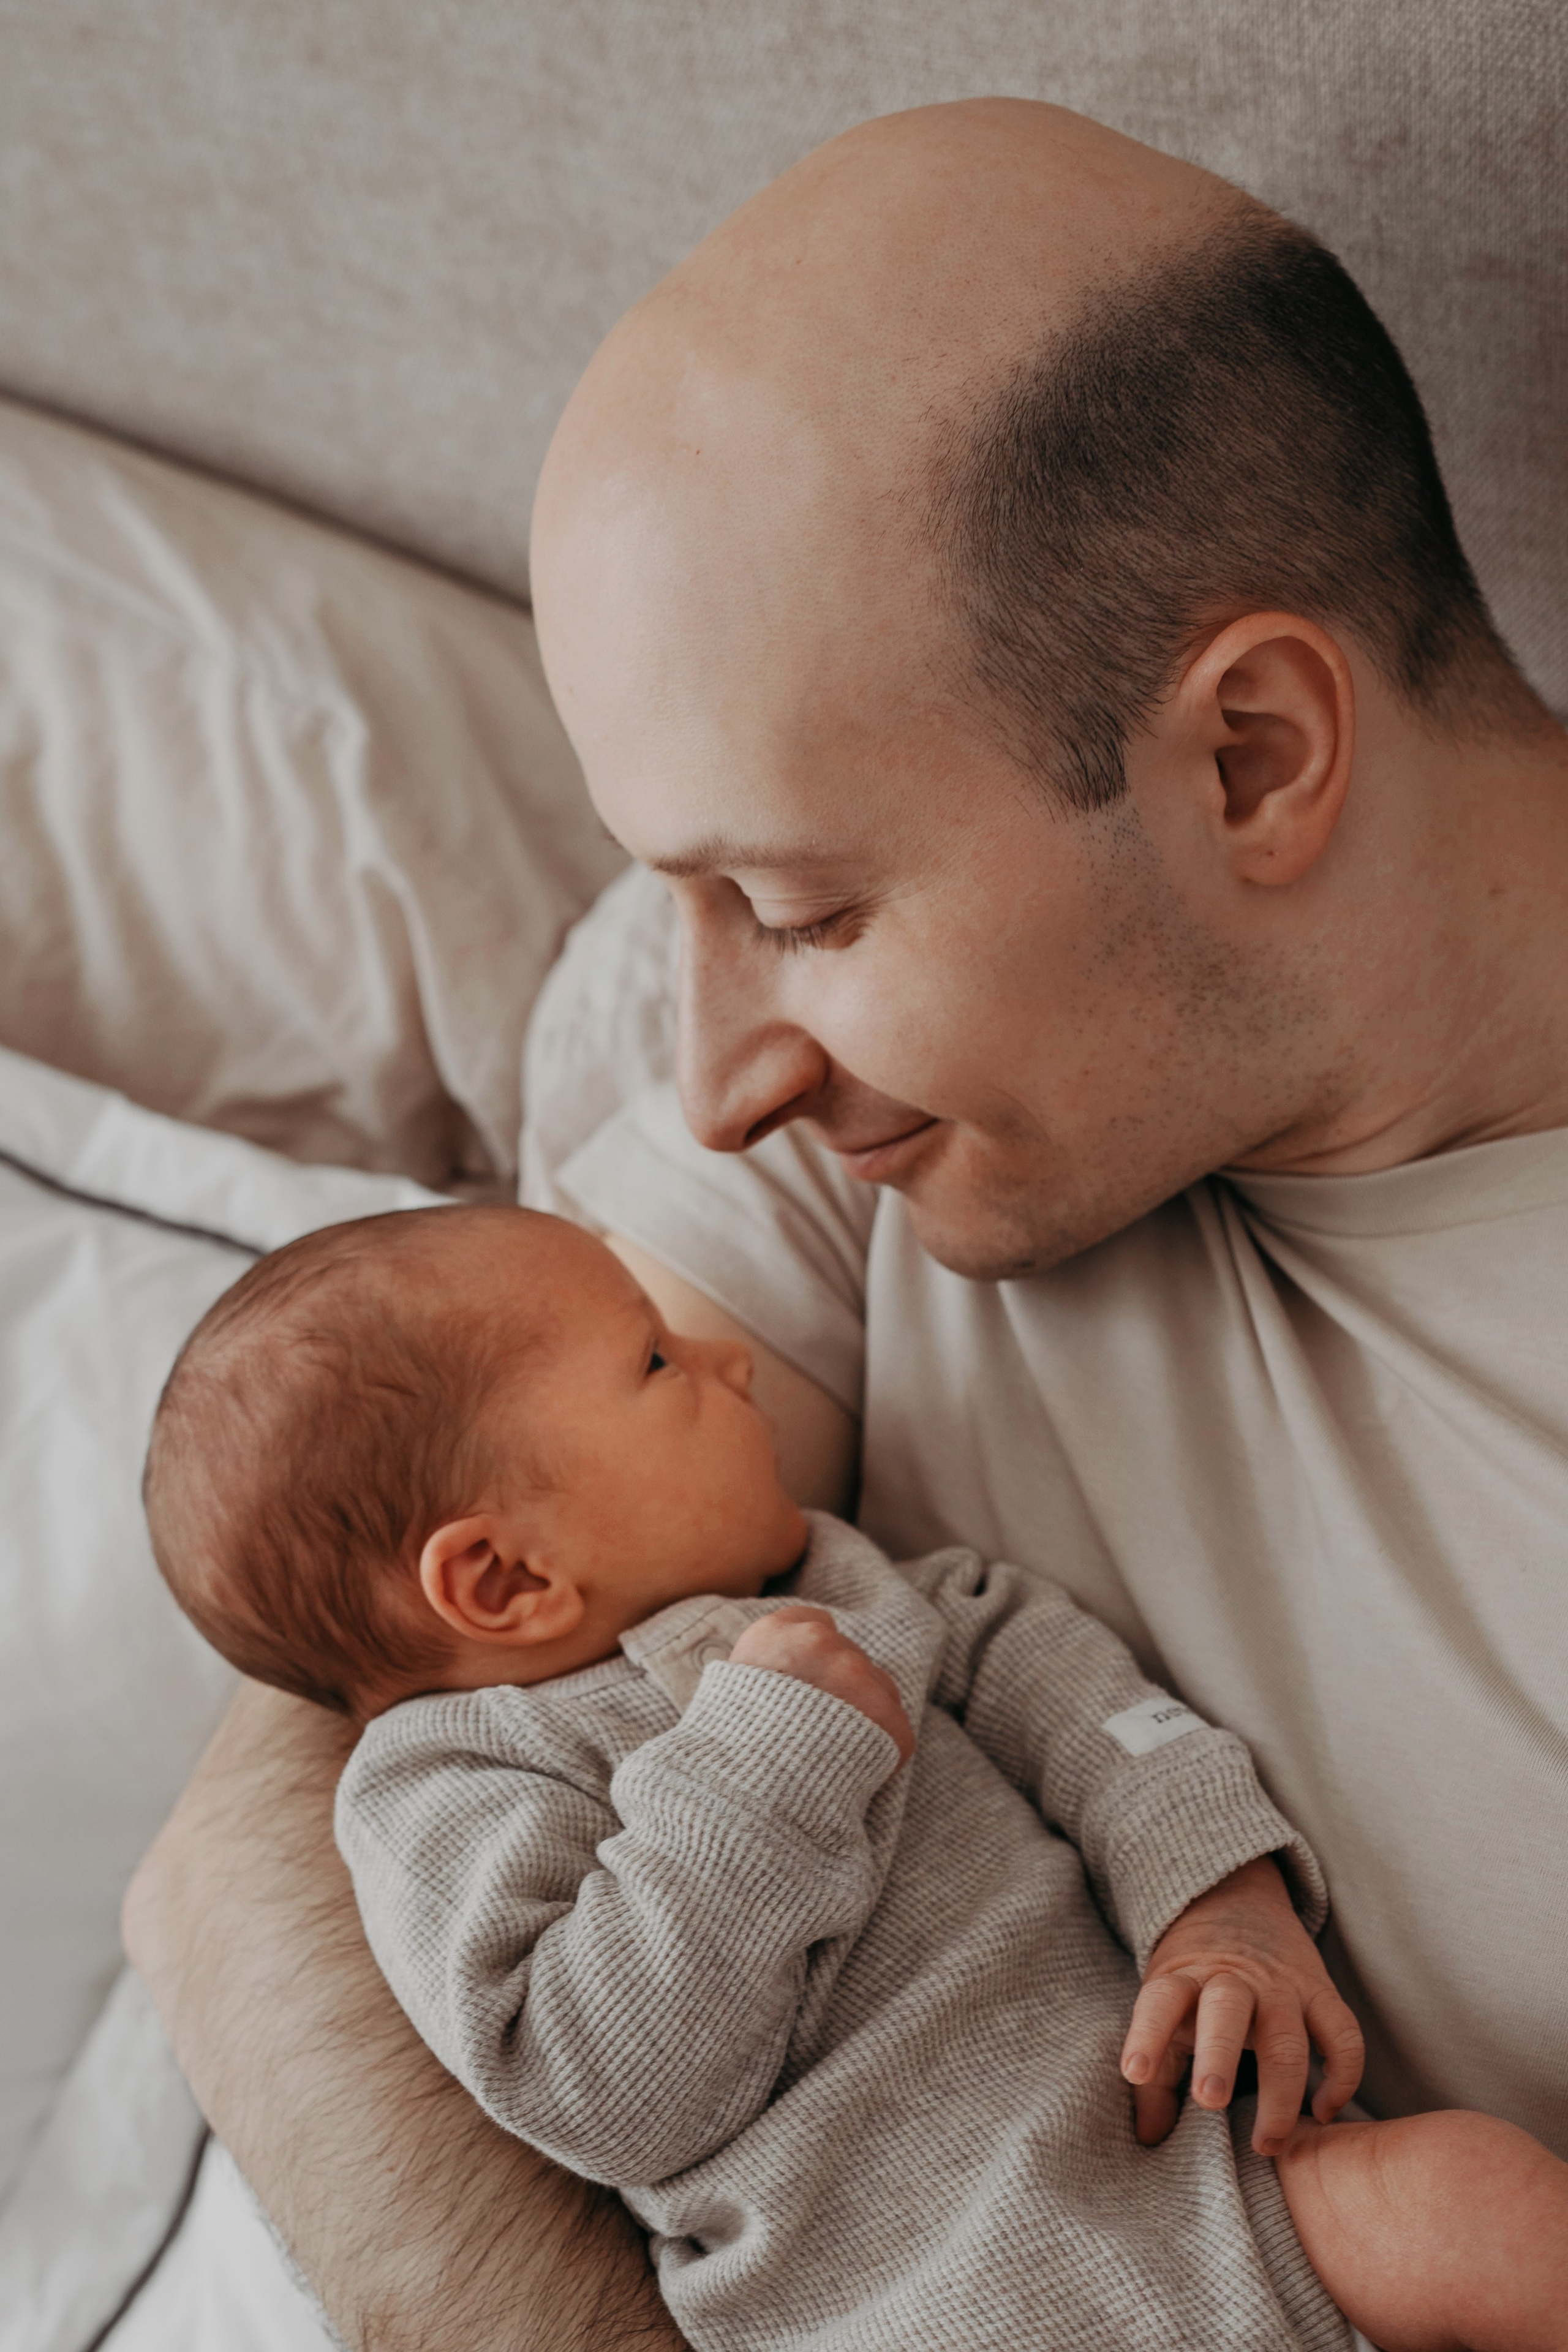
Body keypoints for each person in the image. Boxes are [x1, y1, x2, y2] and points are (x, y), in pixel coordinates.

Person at [123, 99, 1568, 2351]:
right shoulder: (859, 1125)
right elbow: (255, 1846)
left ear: (1257, 757)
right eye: (676, 900)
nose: (706, 1080)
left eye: (795, 908)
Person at [141, 1203, 1568, 2352]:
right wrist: (757, 1763)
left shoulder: (873, 1594)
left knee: (1479, 2205)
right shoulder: (443, 1788)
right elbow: (606, 2088)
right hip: (910, 2305)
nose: (729, 1363)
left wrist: (1218, 1901)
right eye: (652, 1364)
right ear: (504, 1575)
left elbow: (1102, 1720)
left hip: (1218, 2189)